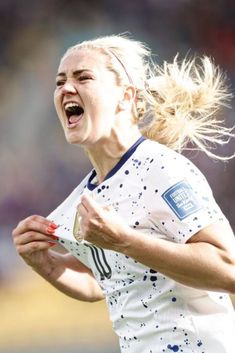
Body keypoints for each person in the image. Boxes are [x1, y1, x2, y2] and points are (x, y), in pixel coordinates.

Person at [12, 34, 235, 353]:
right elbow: (102, 283)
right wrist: (45, 263)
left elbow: (229, 269)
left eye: (83, 77)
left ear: (125, 96)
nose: (65, 88)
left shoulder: (161, 169)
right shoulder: (84, 199)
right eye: (59, 81)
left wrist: (126, 241)